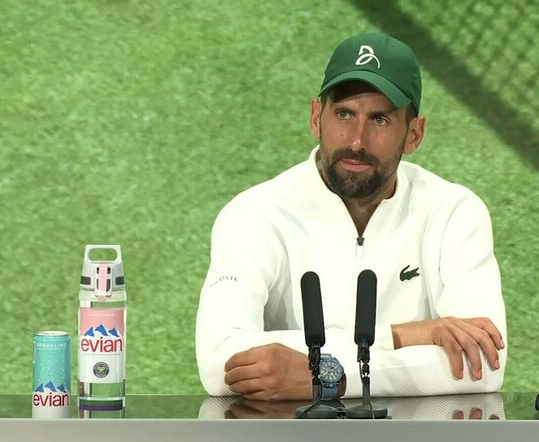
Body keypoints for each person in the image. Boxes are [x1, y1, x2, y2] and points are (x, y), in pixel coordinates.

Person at [195, 32, 507, 401]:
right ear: (316, 118)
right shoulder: (253, 214)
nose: (357, 140)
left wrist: (333, 377)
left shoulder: (454, 212)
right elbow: (220, 363)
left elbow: (484, 364)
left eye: (380, 119)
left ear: (414, 134)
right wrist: (402, 336)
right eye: (344, 114)